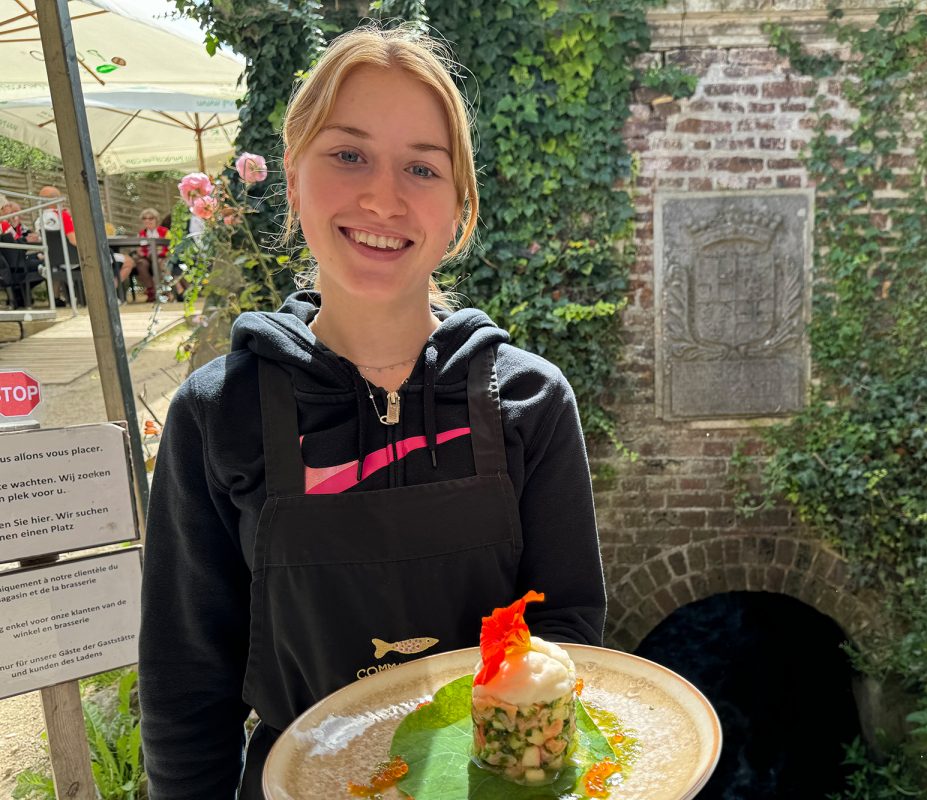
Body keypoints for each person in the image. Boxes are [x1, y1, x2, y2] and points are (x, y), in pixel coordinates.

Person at [139, 23, 606, 800]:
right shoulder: (219, 416)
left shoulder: (530, 403)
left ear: (458, 206)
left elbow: (565, 637)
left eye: (421, 167)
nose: (383, 197)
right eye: (348, 154)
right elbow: (188, 684)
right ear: (293, 178)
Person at [121, 207, 166, 302]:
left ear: (156, 219)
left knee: (159, 261)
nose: (147, 220)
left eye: (151, 218)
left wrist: (159, 253)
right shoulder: (141, 234)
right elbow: (139, 250)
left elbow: (170, 246)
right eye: (145, 218)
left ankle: (160, 288)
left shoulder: (164, 231)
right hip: (146, 258)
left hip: (162, 257)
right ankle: (151, 290)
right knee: (141, 264)